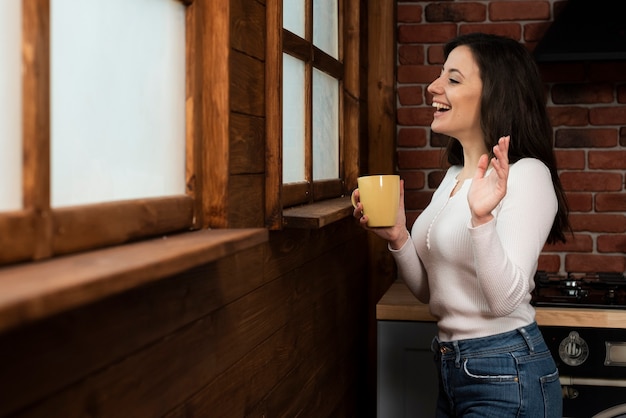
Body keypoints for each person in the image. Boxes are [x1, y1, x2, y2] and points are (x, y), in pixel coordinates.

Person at [353, 33, 570, 417]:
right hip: (453, 367)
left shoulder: (527, 174)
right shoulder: (454, 176)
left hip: (508, 371)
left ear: (496, 94)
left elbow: (506, 301)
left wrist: (481, 219)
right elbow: (430, 292)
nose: (434, 87)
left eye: (453, 79)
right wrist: (398, 236)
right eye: (440, 76)